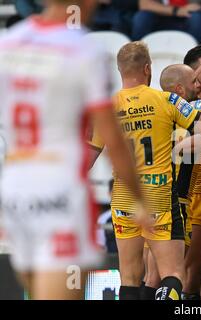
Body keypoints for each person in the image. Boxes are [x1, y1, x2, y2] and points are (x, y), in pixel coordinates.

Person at [0, 0, 148, 300]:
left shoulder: (8, 42)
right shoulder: (82, 49)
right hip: (59, 190)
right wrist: (139, 198)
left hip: (15, 190)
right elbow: (112, 137)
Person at [88, 41, 201, 300]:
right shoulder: (165, 100)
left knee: (129, 278)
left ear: (119, 70)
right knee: (173, 274)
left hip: (124, 197)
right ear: (148, 68)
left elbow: (88, 160)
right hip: (159, 196)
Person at [131, 0, 201, 42]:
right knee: (142, 17)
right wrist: (176, 11)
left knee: (197, 18)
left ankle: (200, 58)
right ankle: (137, 58)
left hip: (190, 16)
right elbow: (144, 4)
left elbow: (197, 5)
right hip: (164, 16)